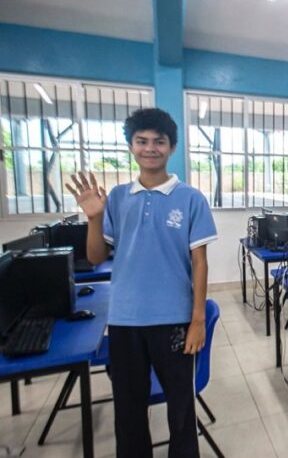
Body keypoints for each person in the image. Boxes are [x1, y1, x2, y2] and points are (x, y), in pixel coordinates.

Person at [66, 108, 217, 457]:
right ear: (131, 146)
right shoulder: (117, 197)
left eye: (159, 141)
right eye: (142, 141)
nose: (151, 148)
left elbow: (200, 263)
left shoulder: (191, 199)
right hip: (125, 321)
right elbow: (95, 257)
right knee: (129, 413)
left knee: (180, 411)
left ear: (172, 147)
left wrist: (197, 321)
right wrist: (94, 217)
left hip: (174, 321)